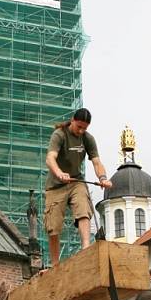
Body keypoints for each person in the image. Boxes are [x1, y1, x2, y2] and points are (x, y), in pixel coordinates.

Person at [44, 108, 112, 266]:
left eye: (84, 128)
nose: (81, 131)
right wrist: (59, 173)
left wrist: (103, 178)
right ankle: (55, 264)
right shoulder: (59, 135)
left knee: (83, 209)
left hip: (76, 181)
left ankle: (86, 247)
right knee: (53, 227)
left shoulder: (88, 139)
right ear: (73, 120)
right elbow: (50, 158)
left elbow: (96, 162)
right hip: (56, 186)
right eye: (79, 127)